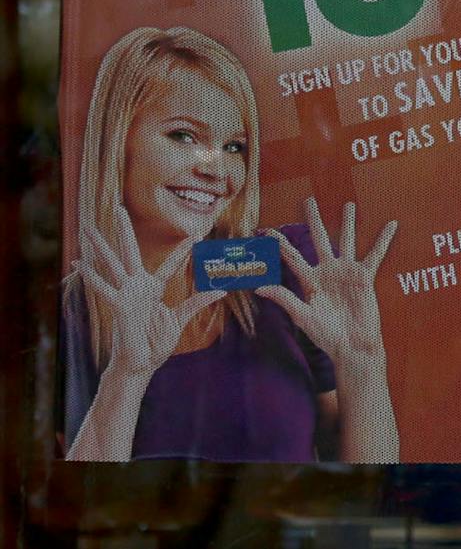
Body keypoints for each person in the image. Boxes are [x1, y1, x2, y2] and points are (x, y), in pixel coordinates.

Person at [62, 25, 400, 463]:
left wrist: (363, 362)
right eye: (184, 136)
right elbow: (81, 496)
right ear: (117, 139)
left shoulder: (286, 266)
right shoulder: (67, 315)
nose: (216, 171)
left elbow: (367, 487)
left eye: (234, 146)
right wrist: (126, 375)